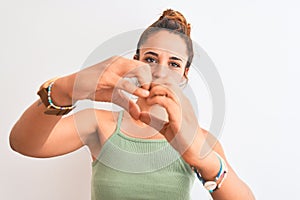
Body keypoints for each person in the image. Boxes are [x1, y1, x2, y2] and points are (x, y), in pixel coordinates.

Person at [9, 9, 255, 200]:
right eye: (151, 58)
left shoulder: (197, 138)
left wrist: (204, 160)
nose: (160, 71)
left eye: (174, 63)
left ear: (184, 74)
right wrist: (66, 88)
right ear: (135, 61)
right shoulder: (99, 124)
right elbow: (22, 143)